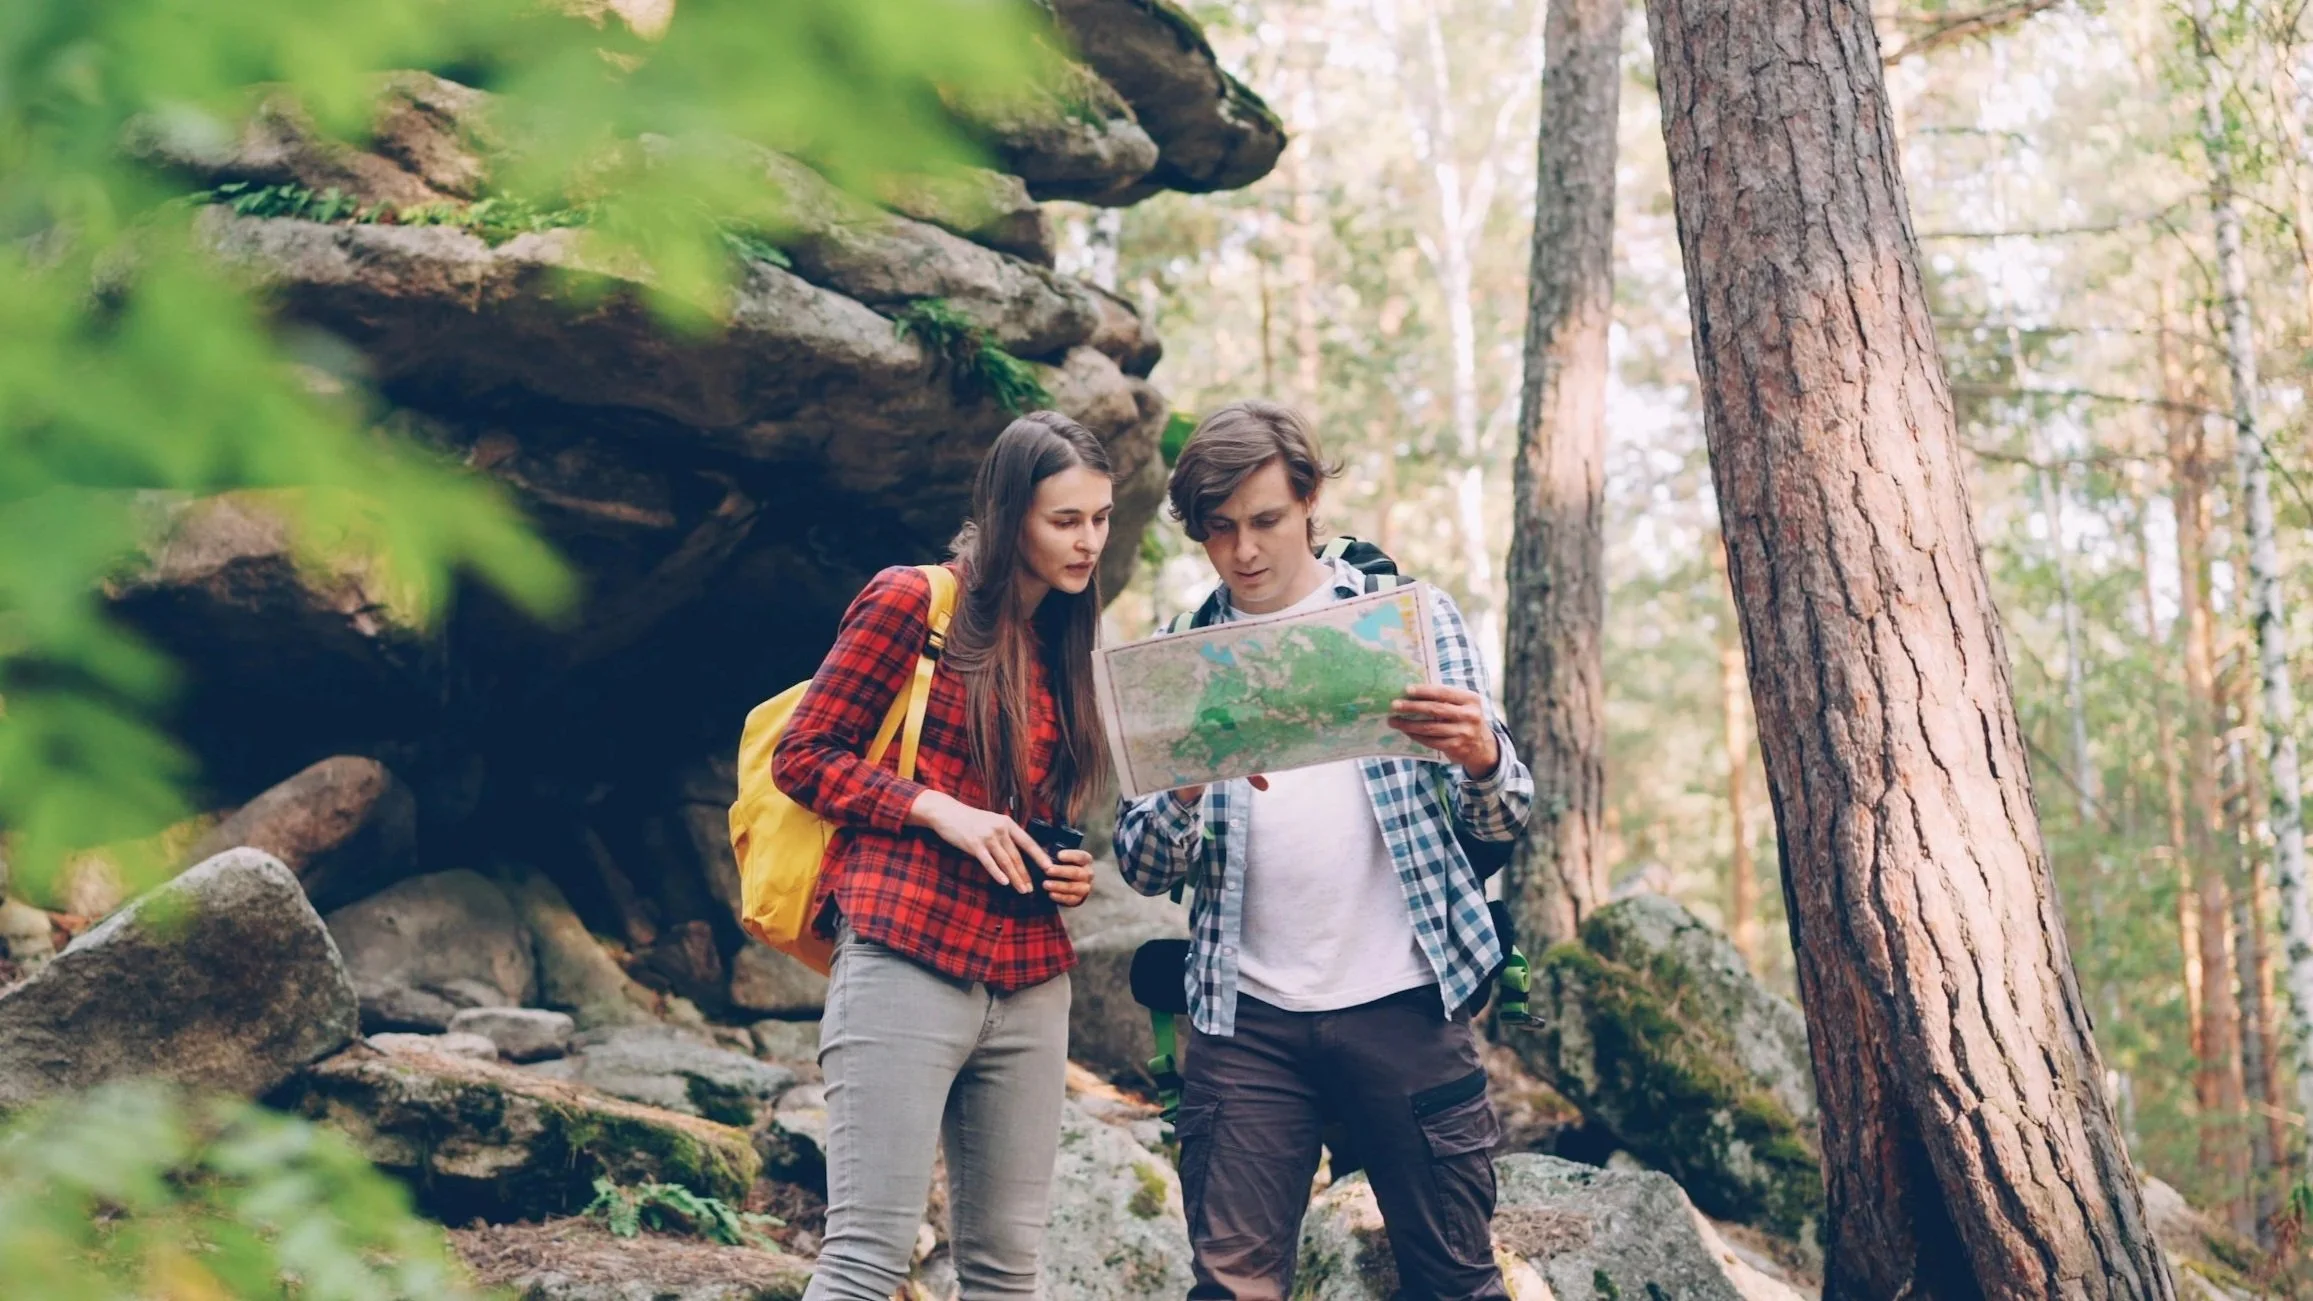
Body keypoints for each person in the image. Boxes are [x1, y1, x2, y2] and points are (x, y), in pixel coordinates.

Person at [1115, 399, 1533, 1301]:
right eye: (1219, 530)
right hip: (1245, 1018)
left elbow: (1504, 822)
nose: (1245, 551)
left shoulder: (1411, 619)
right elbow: (1143, 867)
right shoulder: (1178, 662)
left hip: (1408, 1004)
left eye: (1265, 520)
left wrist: (1481, 757)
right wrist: (1185, 781)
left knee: (1456, 1282)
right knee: (1230, 1289)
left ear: (1308, 499)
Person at [773, 410, 1114, 1300]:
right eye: (1064, 520)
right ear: (1009, 517)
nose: (1088, 543)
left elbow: (1029, 817)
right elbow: (802, 756)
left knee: (1007, 1276)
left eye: (1101, 518)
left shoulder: (1068, 645)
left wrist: (1063, 871)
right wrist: (936, 810)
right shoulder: (913, 601)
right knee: (863, 1262)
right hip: (904, 952)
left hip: (1031, 975)